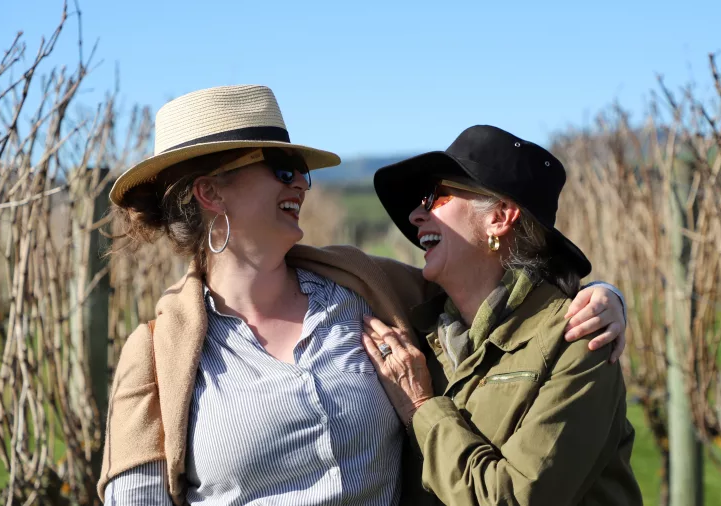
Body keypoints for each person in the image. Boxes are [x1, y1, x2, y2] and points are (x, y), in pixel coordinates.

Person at [98, 85, 629, 505]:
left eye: (302, 172)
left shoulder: (364, 292)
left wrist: (604, 297)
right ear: (211, 192)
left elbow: (493, 288)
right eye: (284, 170)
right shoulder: (154, 359)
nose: (302, 185)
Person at [362, 125, 643, 505]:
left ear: (499, 217)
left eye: (435, 197)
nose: (415, 214)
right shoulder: (424, 332)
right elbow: (333, 264)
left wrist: (421, 408)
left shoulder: (580, 341)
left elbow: (511, 499)